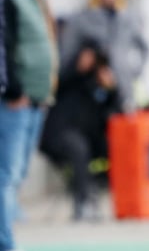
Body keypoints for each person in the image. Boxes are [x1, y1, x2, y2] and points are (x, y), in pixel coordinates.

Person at [0, 0, 57, 251]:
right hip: (15, 98)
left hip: (36, 97)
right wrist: (12, 89)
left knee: (16, 174)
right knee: (7, 175)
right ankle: (6, 248)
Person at [40, 40, 121, 222]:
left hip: (89, 139)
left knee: (113, 147)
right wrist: (78, 69)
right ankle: (82, 204)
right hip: (57, 136)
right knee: (78, 147)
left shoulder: (98, 84)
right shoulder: (69, 77)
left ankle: (121, 199)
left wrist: (112, 90)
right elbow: (55, 86)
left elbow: (113, 114)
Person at [58, 0, 149, 113]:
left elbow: (144, 49)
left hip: (123, 88)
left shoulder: (129, 19)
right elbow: (68, 53)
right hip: (90, 89)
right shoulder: (83, 19)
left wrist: (132, 72)